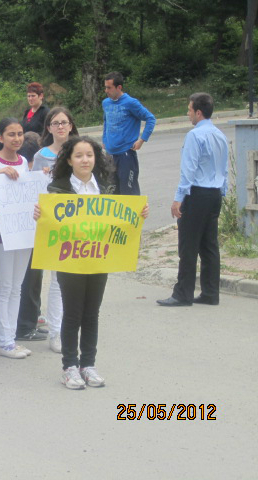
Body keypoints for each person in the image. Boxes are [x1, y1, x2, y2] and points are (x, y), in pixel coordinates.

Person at [36, 136, 149, 389]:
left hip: (99, 257)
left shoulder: (106, 186)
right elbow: (50, 221)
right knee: (73, 313)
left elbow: (121, 217)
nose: (84, 160)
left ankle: (88, 364)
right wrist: (39, 215)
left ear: (95, 158)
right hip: (70, 260)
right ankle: (69, 367)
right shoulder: (58, 188)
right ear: (69, 160)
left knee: (92, 313)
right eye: (78, 155)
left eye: (89, 155)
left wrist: (138, 214)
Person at [157, 93, 228, 307]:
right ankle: (210, 293)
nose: (187, 114)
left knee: (188, 245)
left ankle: (183, 294)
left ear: (198, 112)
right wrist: (221, 193)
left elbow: (188, 170)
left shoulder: (195, 135)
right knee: (209, 246)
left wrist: (178, 199)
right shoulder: (220, 135)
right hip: (214, 194)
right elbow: (224, 169)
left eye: (189, 110)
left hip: (196, 193)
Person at [22, 107, 80, 352]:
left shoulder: (80, 150)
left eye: (64, 122)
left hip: (76, 222)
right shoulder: (41, 156)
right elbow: (34, 191)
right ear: (48, 128)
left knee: (69, 280)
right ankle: (56, 333)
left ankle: (66, 329)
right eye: (55, 123)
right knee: (56, 278)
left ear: (70, 125)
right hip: (50, 223)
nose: (60, 127)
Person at [0, 118, 33, 359]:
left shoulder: (24, 161)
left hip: (22, 232)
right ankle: (4, 341)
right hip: (1, 233)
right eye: (11, 134)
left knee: (17, 286)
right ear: (1, 137)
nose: (17, 138)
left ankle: (11, 337)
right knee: (4, 286)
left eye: (20, 133)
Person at [102, 71, 156, 195]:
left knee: (129, 192)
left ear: (119, 87)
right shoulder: (106, 103)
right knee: (112, 192)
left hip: (126, 155)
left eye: (109, 87)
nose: (106, 90)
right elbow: (106, 121)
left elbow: (150, 118)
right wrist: (105, 139)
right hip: (110, 155)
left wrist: (142, 140)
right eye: (105, 87)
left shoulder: (131, 103)